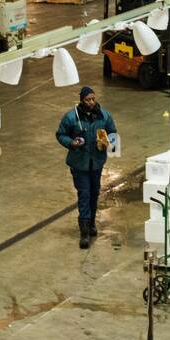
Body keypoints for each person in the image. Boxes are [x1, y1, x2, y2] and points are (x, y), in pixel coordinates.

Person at [56, 87, 118, 249]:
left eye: (93, 99)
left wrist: (109, 143)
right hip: (79, 163)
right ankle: (84, 232)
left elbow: (113, 133)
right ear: (82, 100)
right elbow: (61, 134)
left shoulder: (104, 116)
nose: (91, 102)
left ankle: (91, 224)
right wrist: (71, 143)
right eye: (87, 100)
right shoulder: (71, 117)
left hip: (96, 163)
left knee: (94, 193)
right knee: (84, 194)